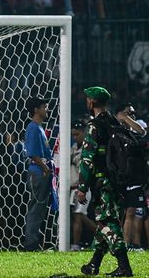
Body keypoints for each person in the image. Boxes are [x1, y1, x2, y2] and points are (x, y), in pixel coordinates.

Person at [78, 87, 133, 277]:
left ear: (92, 102)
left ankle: (125, 267)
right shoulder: (113, 122)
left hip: (102, 184)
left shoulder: (94, 126)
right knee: (105, 223)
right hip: (117, 182)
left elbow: (87, 159)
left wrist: (82, 187)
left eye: (88, 98)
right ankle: (93, 265)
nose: (86, 101)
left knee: (108, 223)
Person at [22, 96, 53, 251]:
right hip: (38, 172)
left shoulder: (38, 127)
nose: (47, 109)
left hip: (41, 172)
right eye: (44, 106)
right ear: (36, 110)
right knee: (35, 209)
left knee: (39, 209)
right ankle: (31, 244)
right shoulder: (33, 127)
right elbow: (33, 154)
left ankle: (35, 241)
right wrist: (46, 168)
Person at [115, 103, 146, 252]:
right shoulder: (115, 132)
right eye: (128, 113)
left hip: (134, 179)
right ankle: (125, 244)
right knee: (125, 212)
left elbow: (143, 133)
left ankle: (130, 244)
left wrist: (126, 118)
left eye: (132, 114)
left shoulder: (134, 131)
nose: (131, 116)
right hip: (119, 179)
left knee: (133, 211)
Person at [69, 121, 95, 251]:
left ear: (84, 133)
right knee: (78, 216)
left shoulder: (87, 149)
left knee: (78, 215)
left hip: (84, 188)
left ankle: (76, 244)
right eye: (73, 135)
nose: (75, 137)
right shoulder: (73, 147)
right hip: (74, 188)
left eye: (77, 134)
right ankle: (103, 235)